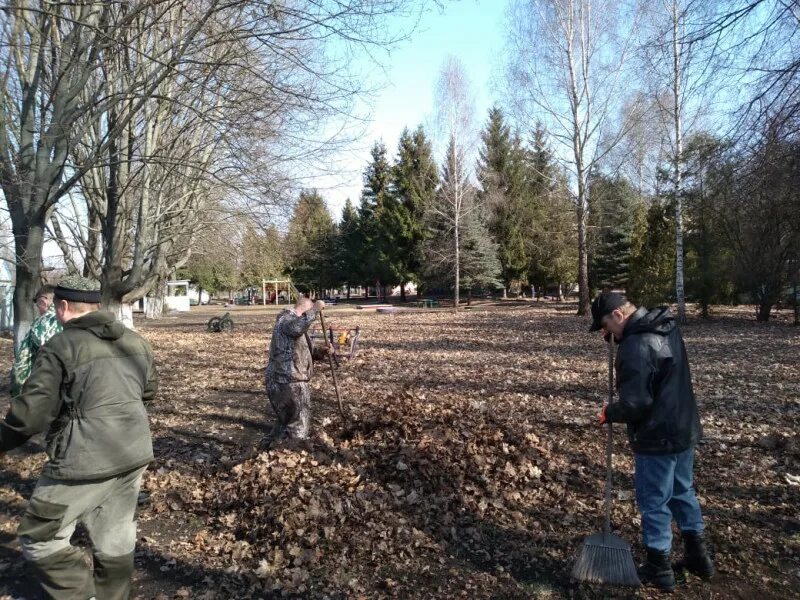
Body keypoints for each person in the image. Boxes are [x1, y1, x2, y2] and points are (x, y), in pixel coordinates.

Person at [0, 275, 157, 600]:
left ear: (64, 306)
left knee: (40, 535)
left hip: (83, 461)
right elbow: (148, 392)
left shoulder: (62, 346)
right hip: (134, 453)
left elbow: (31, 415)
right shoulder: (136, 342)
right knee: (114, 535)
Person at [589, 291, 714, 592]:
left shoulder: (635, 345)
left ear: (619, 315)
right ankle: (698, 556)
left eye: (605, 325)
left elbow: (636, 403)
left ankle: (659, 567)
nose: (605, 333)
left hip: (657, 436)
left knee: (654, 501)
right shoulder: (666, 326)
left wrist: (609, 412)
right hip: (682, 429)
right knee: (682, 491)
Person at [263, 297, 325, 445]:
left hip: (284, 379)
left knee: (285, 422)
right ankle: (292, 453)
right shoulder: (287, 319)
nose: (310, 319)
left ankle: (268, 451)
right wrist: (315, 310)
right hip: (289, 380)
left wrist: (322, 351)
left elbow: (300, 349)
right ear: (304, 309)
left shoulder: (291, 323)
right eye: (308, 313)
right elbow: (296, 328)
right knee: (298, 425)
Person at [10, 285, 63, 397]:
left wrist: (17, 396)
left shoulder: (41, 324)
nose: (38, 309)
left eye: (38, 304)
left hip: (43, 393)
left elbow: (21, 367)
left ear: (43, 301)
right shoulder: (74, 321)